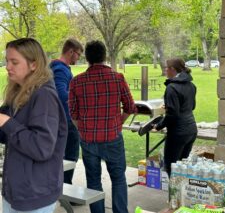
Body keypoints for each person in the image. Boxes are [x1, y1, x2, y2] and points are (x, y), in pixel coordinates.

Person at [0, 38, 67, 212]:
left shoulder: (44, 96)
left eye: (14, 62)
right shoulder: (17, 92)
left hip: (35, 194)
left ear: (34, 65)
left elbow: (41, 147)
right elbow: (5, 134)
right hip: (15, 191)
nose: (8, 66)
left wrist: (7, 123)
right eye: (7, 61)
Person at [68, 40, 136, 213]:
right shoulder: (117, 78)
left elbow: (73, 114)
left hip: (89, 140)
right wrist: (117, 122)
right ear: (105, 56)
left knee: (93, 181)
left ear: (88, 58)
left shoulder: (77, 81)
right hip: (112, 137)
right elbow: (130, 107)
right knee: (118, 178)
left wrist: (83, 129)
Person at [154, 58, 197, 177]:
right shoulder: (191, 85)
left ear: (172, 69)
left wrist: (158, 126)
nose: (165, 70)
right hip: (191, 131)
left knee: (172, 168)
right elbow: (191, 106)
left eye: (166, 68)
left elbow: (172, 114)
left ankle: (175, 195)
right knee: (182, 168)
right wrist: (169, 105)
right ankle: (181, 194)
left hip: (178, 133)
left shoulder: (171, 87)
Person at [49, 38, 83, 186]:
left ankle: (60, 187)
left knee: (61, 155)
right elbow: (61, 94)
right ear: (71, 51)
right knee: (70, 155)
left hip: (59, 118)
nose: (78, 58)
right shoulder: (60, 69)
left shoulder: (57, 67)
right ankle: (65, 190)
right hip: (65, 119)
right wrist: (79, 102)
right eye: (78, 54)